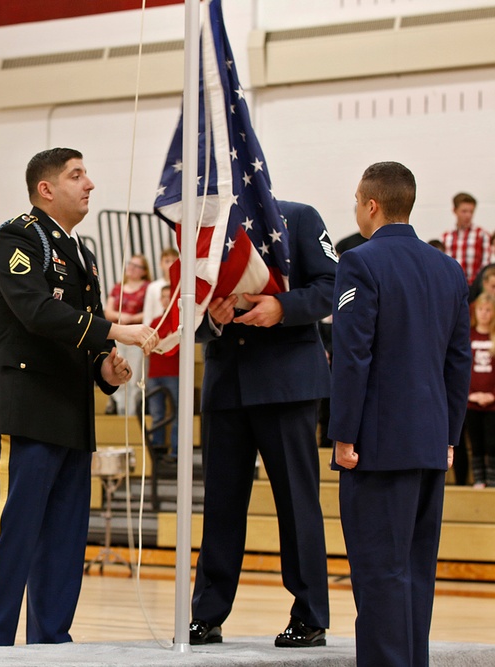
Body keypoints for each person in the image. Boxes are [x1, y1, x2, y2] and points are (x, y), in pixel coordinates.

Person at [0, 147, 158, 646]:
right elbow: (35, 312)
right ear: (46, 189)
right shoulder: (17, 236)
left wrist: (106, 367)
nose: (90, 184)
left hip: (71, 415)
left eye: (87, 174)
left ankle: (50, 647)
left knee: (63, 542)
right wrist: (117, 328)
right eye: (77, 175)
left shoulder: (83, 254)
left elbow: (83, 339)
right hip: (26, 406)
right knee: (11, 536)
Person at [330, 161, 471, 667]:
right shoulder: (448, 267)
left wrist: (342, 433)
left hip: (377, 445)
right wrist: (450, 435)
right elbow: (459, 362)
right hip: (431, 441)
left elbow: (352, 356)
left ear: (371, 205)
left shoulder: (360, 262)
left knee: (379, 572)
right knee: (414, 570)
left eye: (356, 202)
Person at [188, 200, 336, 647]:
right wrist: (208, 320)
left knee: (297, 503)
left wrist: (282, 307)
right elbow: (186, 303)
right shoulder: (205, 230)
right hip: (227, 383)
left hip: (287, 381)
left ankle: (310, 615)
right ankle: (207, 614)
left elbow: (333, 286)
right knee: (220, 505)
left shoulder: (300, 216)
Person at [104, 253, 152, 415]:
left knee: (134, 376)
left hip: (136, 338)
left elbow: (150, 311)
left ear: (144, 271)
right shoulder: (119, 287)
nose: (130, 268)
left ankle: (131, 414)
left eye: (136, 266)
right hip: (118, 336)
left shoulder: (147, 287)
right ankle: (120, 411)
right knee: (115, 373)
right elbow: (108, 310)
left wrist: (132, 318)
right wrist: (120, 317)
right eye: (130, 264)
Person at [466, 293, 495, 488]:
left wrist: (491, 394)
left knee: (492, 443)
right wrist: (471, 394)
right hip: (471, 400)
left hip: (492, 403)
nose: (484, 314)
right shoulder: (468, 336)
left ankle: (492, 479)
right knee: (475, 442)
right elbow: (462, 369)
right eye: (481, 310)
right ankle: (478, 479)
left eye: (488, 310)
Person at [147, 284, 179, 457]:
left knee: (176, 414)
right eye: (164, 296)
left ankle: (176, 452)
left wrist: (160, 344)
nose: (166, 299)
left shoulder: (179, 320)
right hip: (155, 373)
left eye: (169, 296)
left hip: (173, 372)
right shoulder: (154, 321)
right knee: (157, 413)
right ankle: (157, 450)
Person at [442, 192, 489, 284]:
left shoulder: (482, 235)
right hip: (452, 286)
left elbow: (485, 267)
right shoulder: (446, 237)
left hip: (474, 288)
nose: (468, 215)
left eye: (471, 211)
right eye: (464, 211)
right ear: (455, 210)